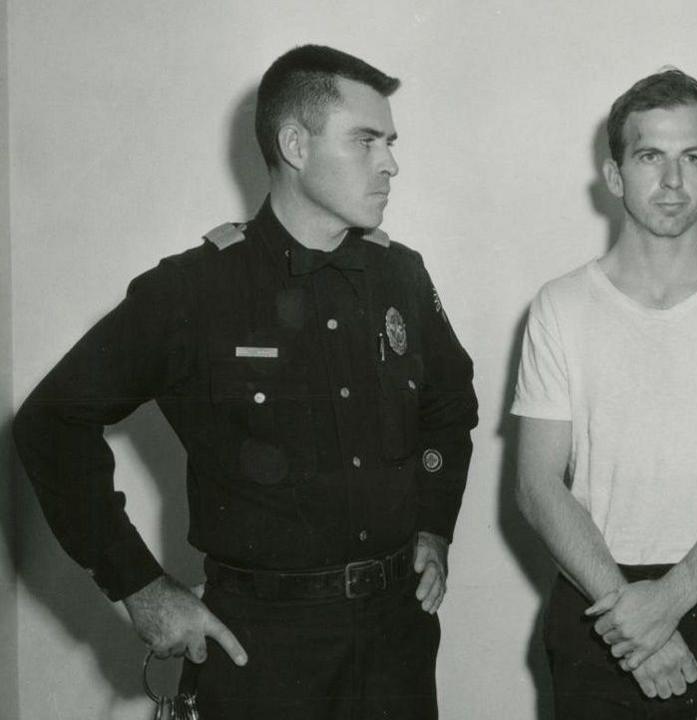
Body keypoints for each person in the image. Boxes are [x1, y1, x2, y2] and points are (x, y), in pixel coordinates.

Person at [12, 45, 477, 720]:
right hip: (261, 649)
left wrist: (434, 525)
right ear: (294, 144)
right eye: (366, 141)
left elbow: (448, 406)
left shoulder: (400, 276)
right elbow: (51, 421)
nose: (390, 163)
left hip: (396, 640)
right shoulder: (196, 290)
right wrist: (138, 586)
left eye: (391, 142)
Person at [512, 68, 697, 719]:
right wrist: (633, 620)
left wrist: (672, 599)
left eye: (692, 159)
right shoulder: (560, 306)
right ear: (614, 176)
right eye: (650, 157)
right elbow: (536, 484)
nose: (673, 182)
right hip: (597, 601)